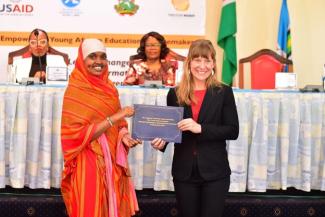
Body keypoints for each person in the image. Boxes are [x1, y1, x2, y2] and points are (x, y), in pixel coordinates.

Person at [151, 39, 239, 217]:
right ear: (189, 62)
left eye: (207, 60)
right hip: (184, 172)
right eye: (197, 60)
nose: (202, 66)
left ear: (213, 63)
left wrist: (201, 128)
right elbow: (172, 129)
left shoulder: (224, 92)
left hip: (215, 172)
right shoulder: (174, 94)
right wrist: (162, 143)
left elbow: (232, 130)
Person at [61, 38, 141, 217]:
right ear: (82, 60)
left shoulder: (110, 88)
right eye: (92, 56)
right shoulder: (75, 90)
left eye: (103, 57)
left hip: (112, 157)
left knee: (110, 203)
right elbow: (74, 134)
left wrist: (125, 136)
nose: (98, 62)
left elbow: (120, 124)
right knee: (90, 205)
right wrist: (116, 117)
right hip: (88, 157)